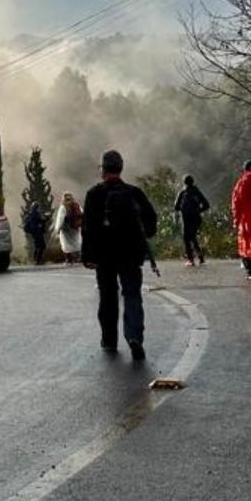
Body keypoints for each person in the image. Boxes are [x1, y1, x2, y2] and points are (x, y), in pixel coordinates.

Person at [82, 150, 157, 362]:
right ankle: (134, 336)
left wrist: (88, 255)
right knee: (132, 295)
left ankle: (109, 340)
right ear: (121, 168)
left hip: (104, 257)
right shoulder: (134, 193)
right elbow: (151, 220)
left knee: (108, 297)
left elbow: (87, 228)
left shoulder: (93, 194)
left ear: (103, 170)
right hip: (131, 255)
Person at [173, 175, 212, 266]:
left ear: (184, 182)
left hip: (186, 218)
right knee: (192, 236)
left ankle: (191, 259)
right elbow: (206, 205)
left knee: (187, 238)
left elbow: (176, 206)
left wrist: (182, 210)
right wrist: (198, 210)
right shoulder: (197, 192)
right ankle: (200, 256)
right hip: (196, 218)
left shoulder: (182, 192)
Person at [54, 192, 84, 264]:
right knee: (77, 242)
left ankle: (69, 259)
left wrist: (58, 228)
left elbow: (60, 219)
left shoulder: (63, 207)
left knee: (65, 244)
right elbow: (82, 214)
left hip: (66, 229)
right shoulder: (77, 205)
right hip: (75, 228)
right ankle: (79, 257)